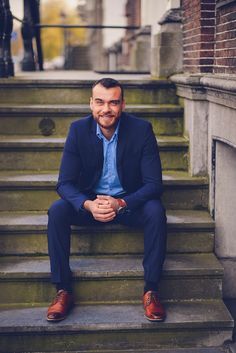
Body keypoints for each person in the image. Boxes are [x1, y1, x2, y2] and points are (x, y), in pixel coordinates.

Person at [47, 77, 167, 322]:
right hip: (92, 204)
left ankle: (151, 290)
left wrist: (121, 203)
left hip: (128, 204)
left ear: (123, 104)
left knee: (156, 211)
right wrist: (88, 204)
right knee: (57, 211)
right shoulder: (78, 130)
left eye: (113, 103)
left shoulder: (141, 130)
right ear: (91, 104)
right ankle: (62, 290)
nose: (106, 109)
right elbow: (64, 183)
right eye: (100, 102)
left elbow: (154, 185)